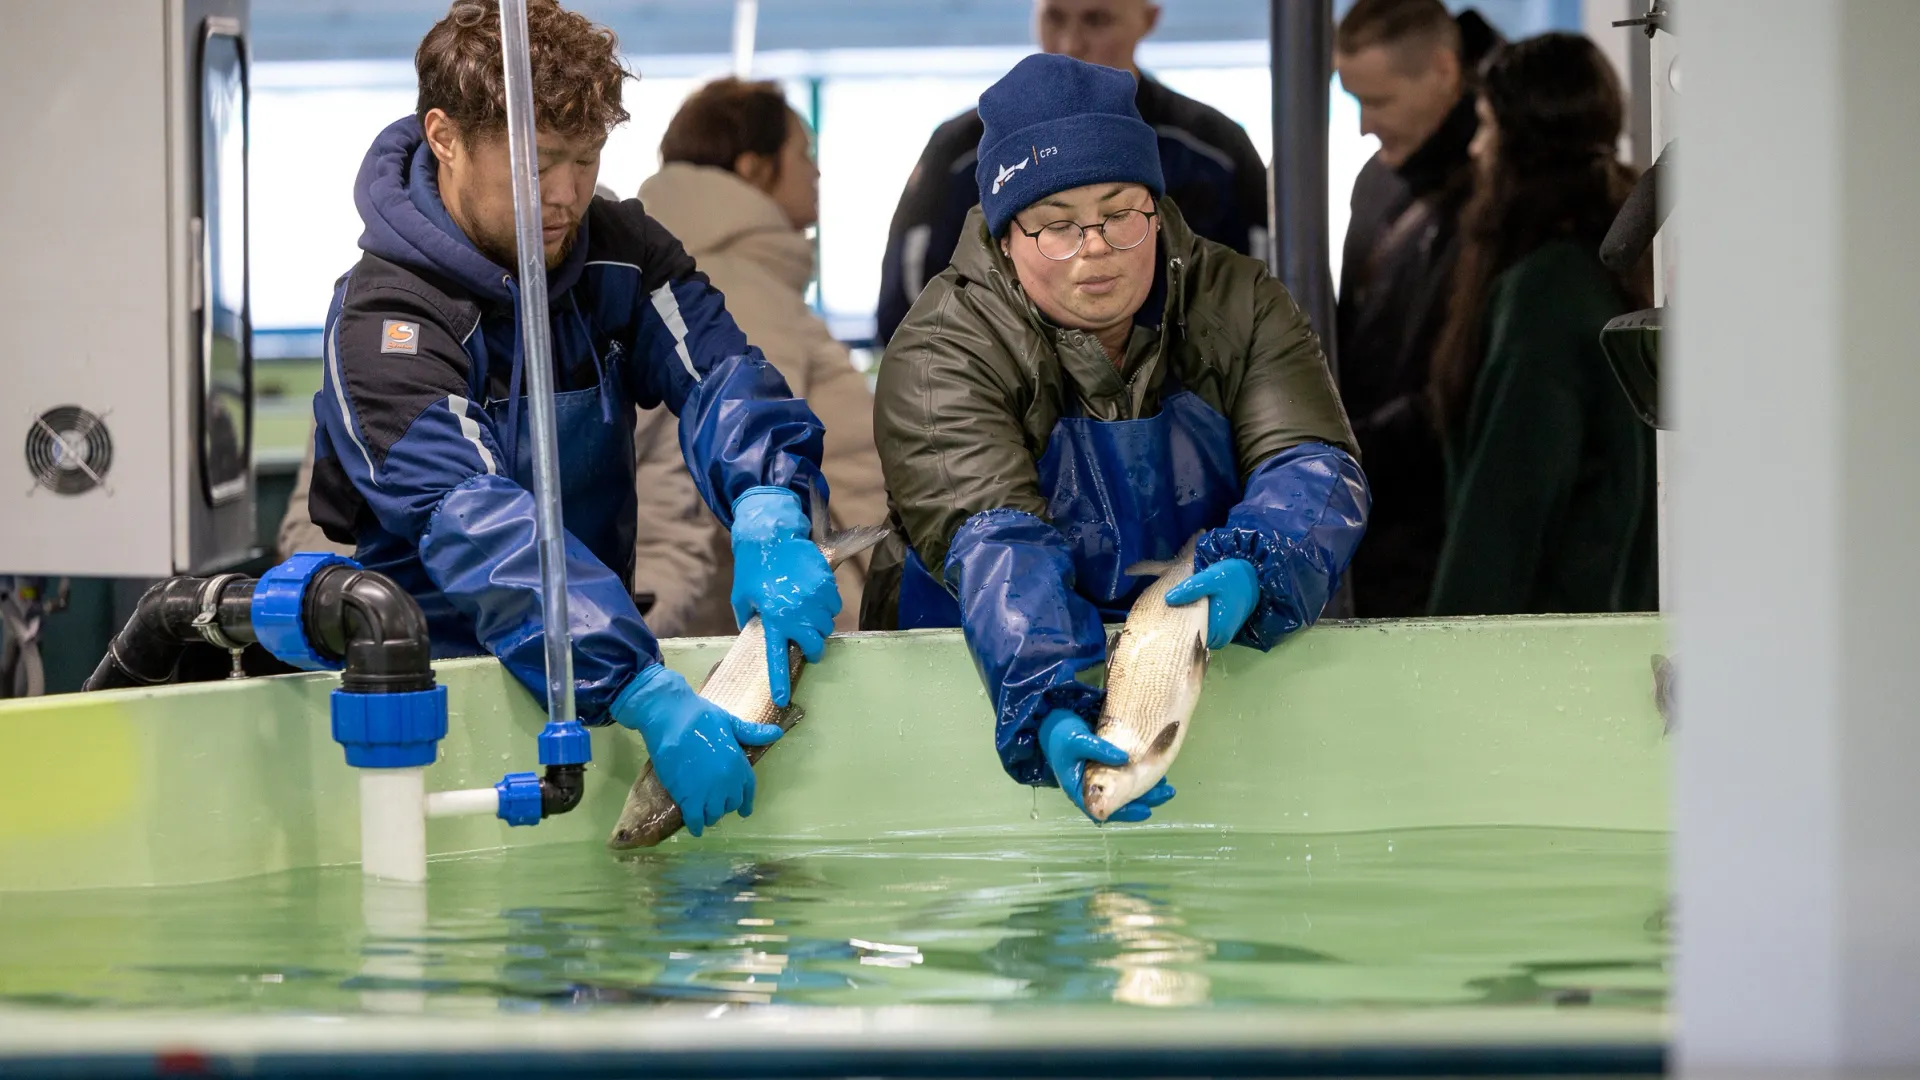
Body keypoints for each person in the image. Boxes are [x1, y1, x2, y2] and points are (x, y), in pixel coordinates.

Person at [307, 0, 843, 836]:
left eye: (587, 160)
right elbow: (477, 525)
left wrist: (770, 501)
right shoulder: (385, 324)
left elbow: (722, 375)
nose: (566, 197)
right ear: (444, 136)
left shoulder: (619, 253)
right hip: (436, 702)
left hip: (591, 683)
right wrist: (639, 685)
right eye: (539, 162)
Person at [864, 55, 1369, 824]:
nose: (1094, 247)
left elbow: (1311, 463)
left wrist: (1260, 566)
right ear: (1006, 235)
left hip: (1202, 668)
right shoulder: (941, 351)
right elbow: (996, 539)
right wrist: (1049, 701)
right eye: (1058, 224)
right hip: (969, 680)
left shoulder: (1240, 301)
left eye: (1120, 213)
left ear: (1156, 207)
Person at [638, 78, 887, 636]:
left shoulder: (729, 268)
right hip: (808, 614)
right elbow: (737, 456)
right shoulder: (730, 280)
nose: (818, 173)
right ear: (753, 167)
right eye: (804, 153)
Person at [873, 0, 1269, 345]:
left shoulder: (1216, 151)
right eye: (1054, 18)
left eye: (1097, 20)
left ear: (1147, 20)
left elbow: (1264, 297)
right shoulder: (962, 153)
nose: (1070, 43)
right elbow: (906, 309)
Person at [1424, 33, 1655, 616]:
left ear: (1520, 143)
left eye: (1486, 127)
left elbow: (1508, 505)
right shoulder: (1624, 260)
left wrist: (1448, 658)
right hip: (1619, 623)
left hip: (1556, 645)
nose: (1476, 149)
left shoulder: (1545, 295)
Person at [1333, 0, 1502, 618]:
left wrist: (1348, 453)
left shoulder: (1501, 196)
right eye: (1353, 100)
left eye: (1377, 101)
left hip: (1442, 522)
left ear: (1443, 70)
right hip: (1371, 514)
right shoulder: (1375, 183)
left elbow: (1467, 383)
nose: (1362, 127)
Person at [277, 404, 718, 639]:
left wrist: (607, 643)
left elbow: (669, 548)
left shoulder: (623, 346)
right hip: (401, 665)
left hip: (589, 668)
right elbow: (314, 537)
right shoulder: (378, 357)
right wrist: (374, 633)